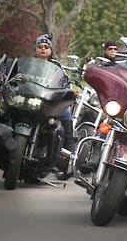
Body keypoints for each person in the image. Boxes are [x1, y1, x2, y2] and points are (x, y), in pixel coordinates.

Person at [34, 34, 75, 179]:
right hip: (33, 100)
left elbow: (64, 83)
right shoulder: (30, 63)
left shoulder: (56, 66)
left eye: (46, 47)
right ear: (36, 49)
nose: (43, 49)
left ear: (51, 50)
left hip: (50, 102)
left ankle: (69, 153)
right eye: (40, 47)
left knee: (66, 113)